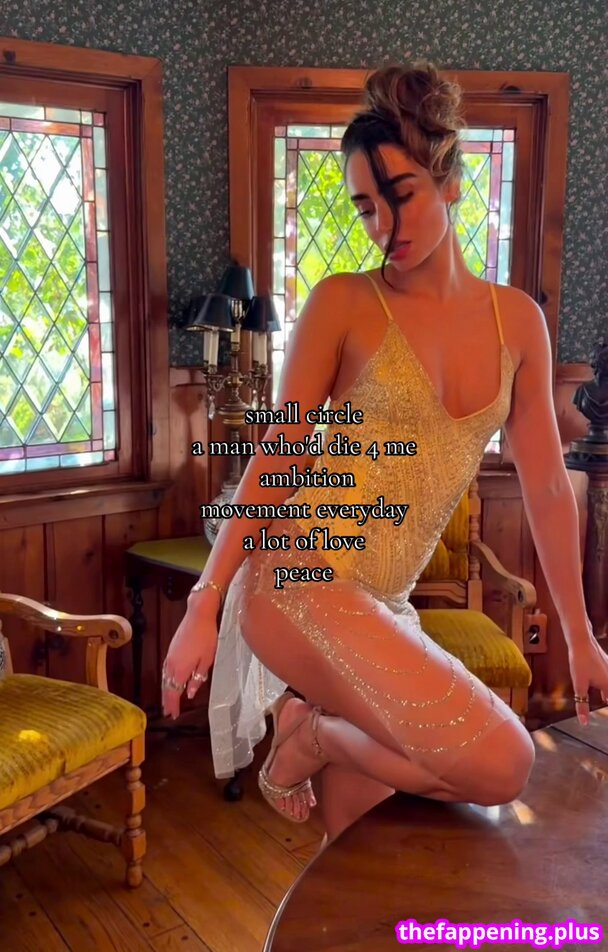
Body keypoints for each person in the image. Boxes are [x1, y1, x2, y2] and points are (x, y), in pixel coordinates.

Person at [162, 62, 608, 841]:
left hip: (381, 605)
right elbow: (280, 456)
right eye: (366, 207)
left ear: (451, 182)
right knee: (506, 762)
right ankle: (315, 734)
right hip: (298, 579)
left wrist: (580, 635)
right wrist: (206, 599)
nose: (382, 225)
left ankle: (315, 737)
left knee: (364, 848)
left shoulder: (518, 324)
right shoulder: (344, 303)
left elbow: (544, 488)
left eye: (400, 194)